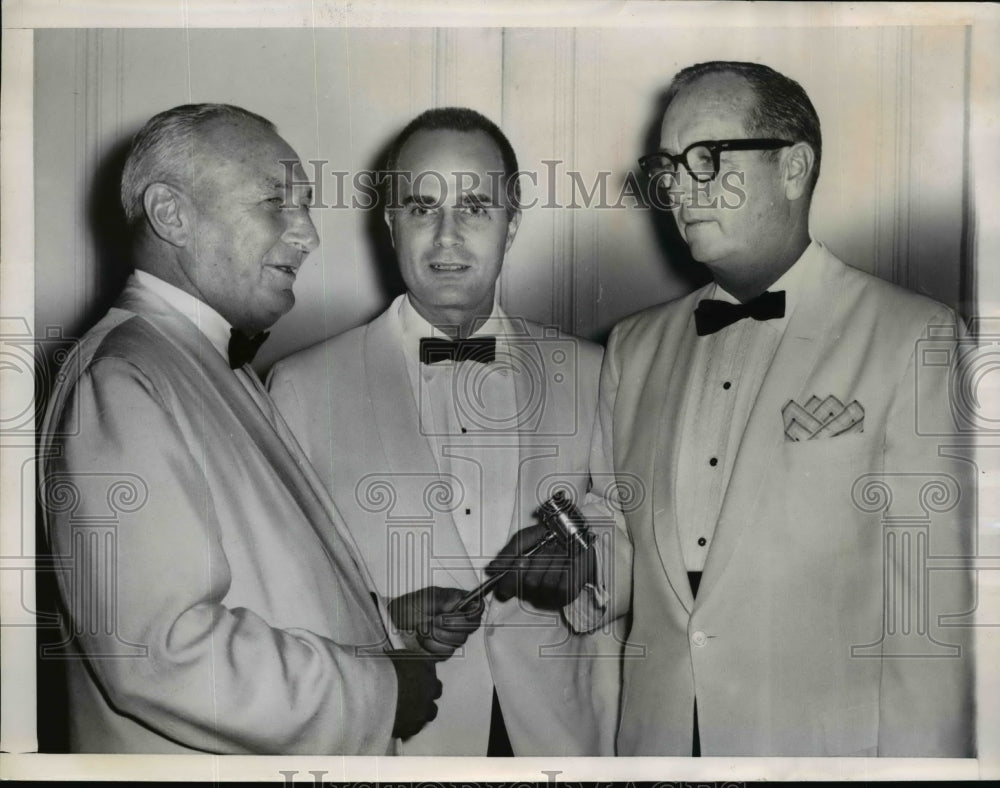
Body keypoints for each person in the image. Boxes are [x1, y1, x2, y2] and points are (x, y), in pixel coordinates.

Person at [38, 103, 453, 753]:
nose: (309, 234)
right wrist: (377, 690)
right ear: (171, 213)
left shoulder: (200, 362)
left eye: (307, 204)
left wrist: (382, 625)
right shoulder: (122, 377)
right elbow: (161, 651)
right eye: (276, 201)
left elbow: (254, 584)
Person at [599, 61, 975, 756]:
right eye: (669, 166)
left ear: (794, 168)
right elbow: (619, 576)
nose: (680, 186)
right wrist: (564, 569)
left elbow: (931, 619)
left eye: (706, 158)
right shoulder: (632, 348)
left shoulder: (912, 336)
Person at [268, 107, 624, 756]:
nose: (447, 236)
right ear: (390, 223)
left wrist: (590, 563)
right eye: (422, 207)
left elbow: (643, 539)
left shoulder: (598, 373)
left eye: (476, 208)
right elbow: (277, 585)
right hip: (399, 745)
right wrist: (385, 619)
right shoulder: (297, 388)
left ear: (512, 225)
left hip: (564, 742)